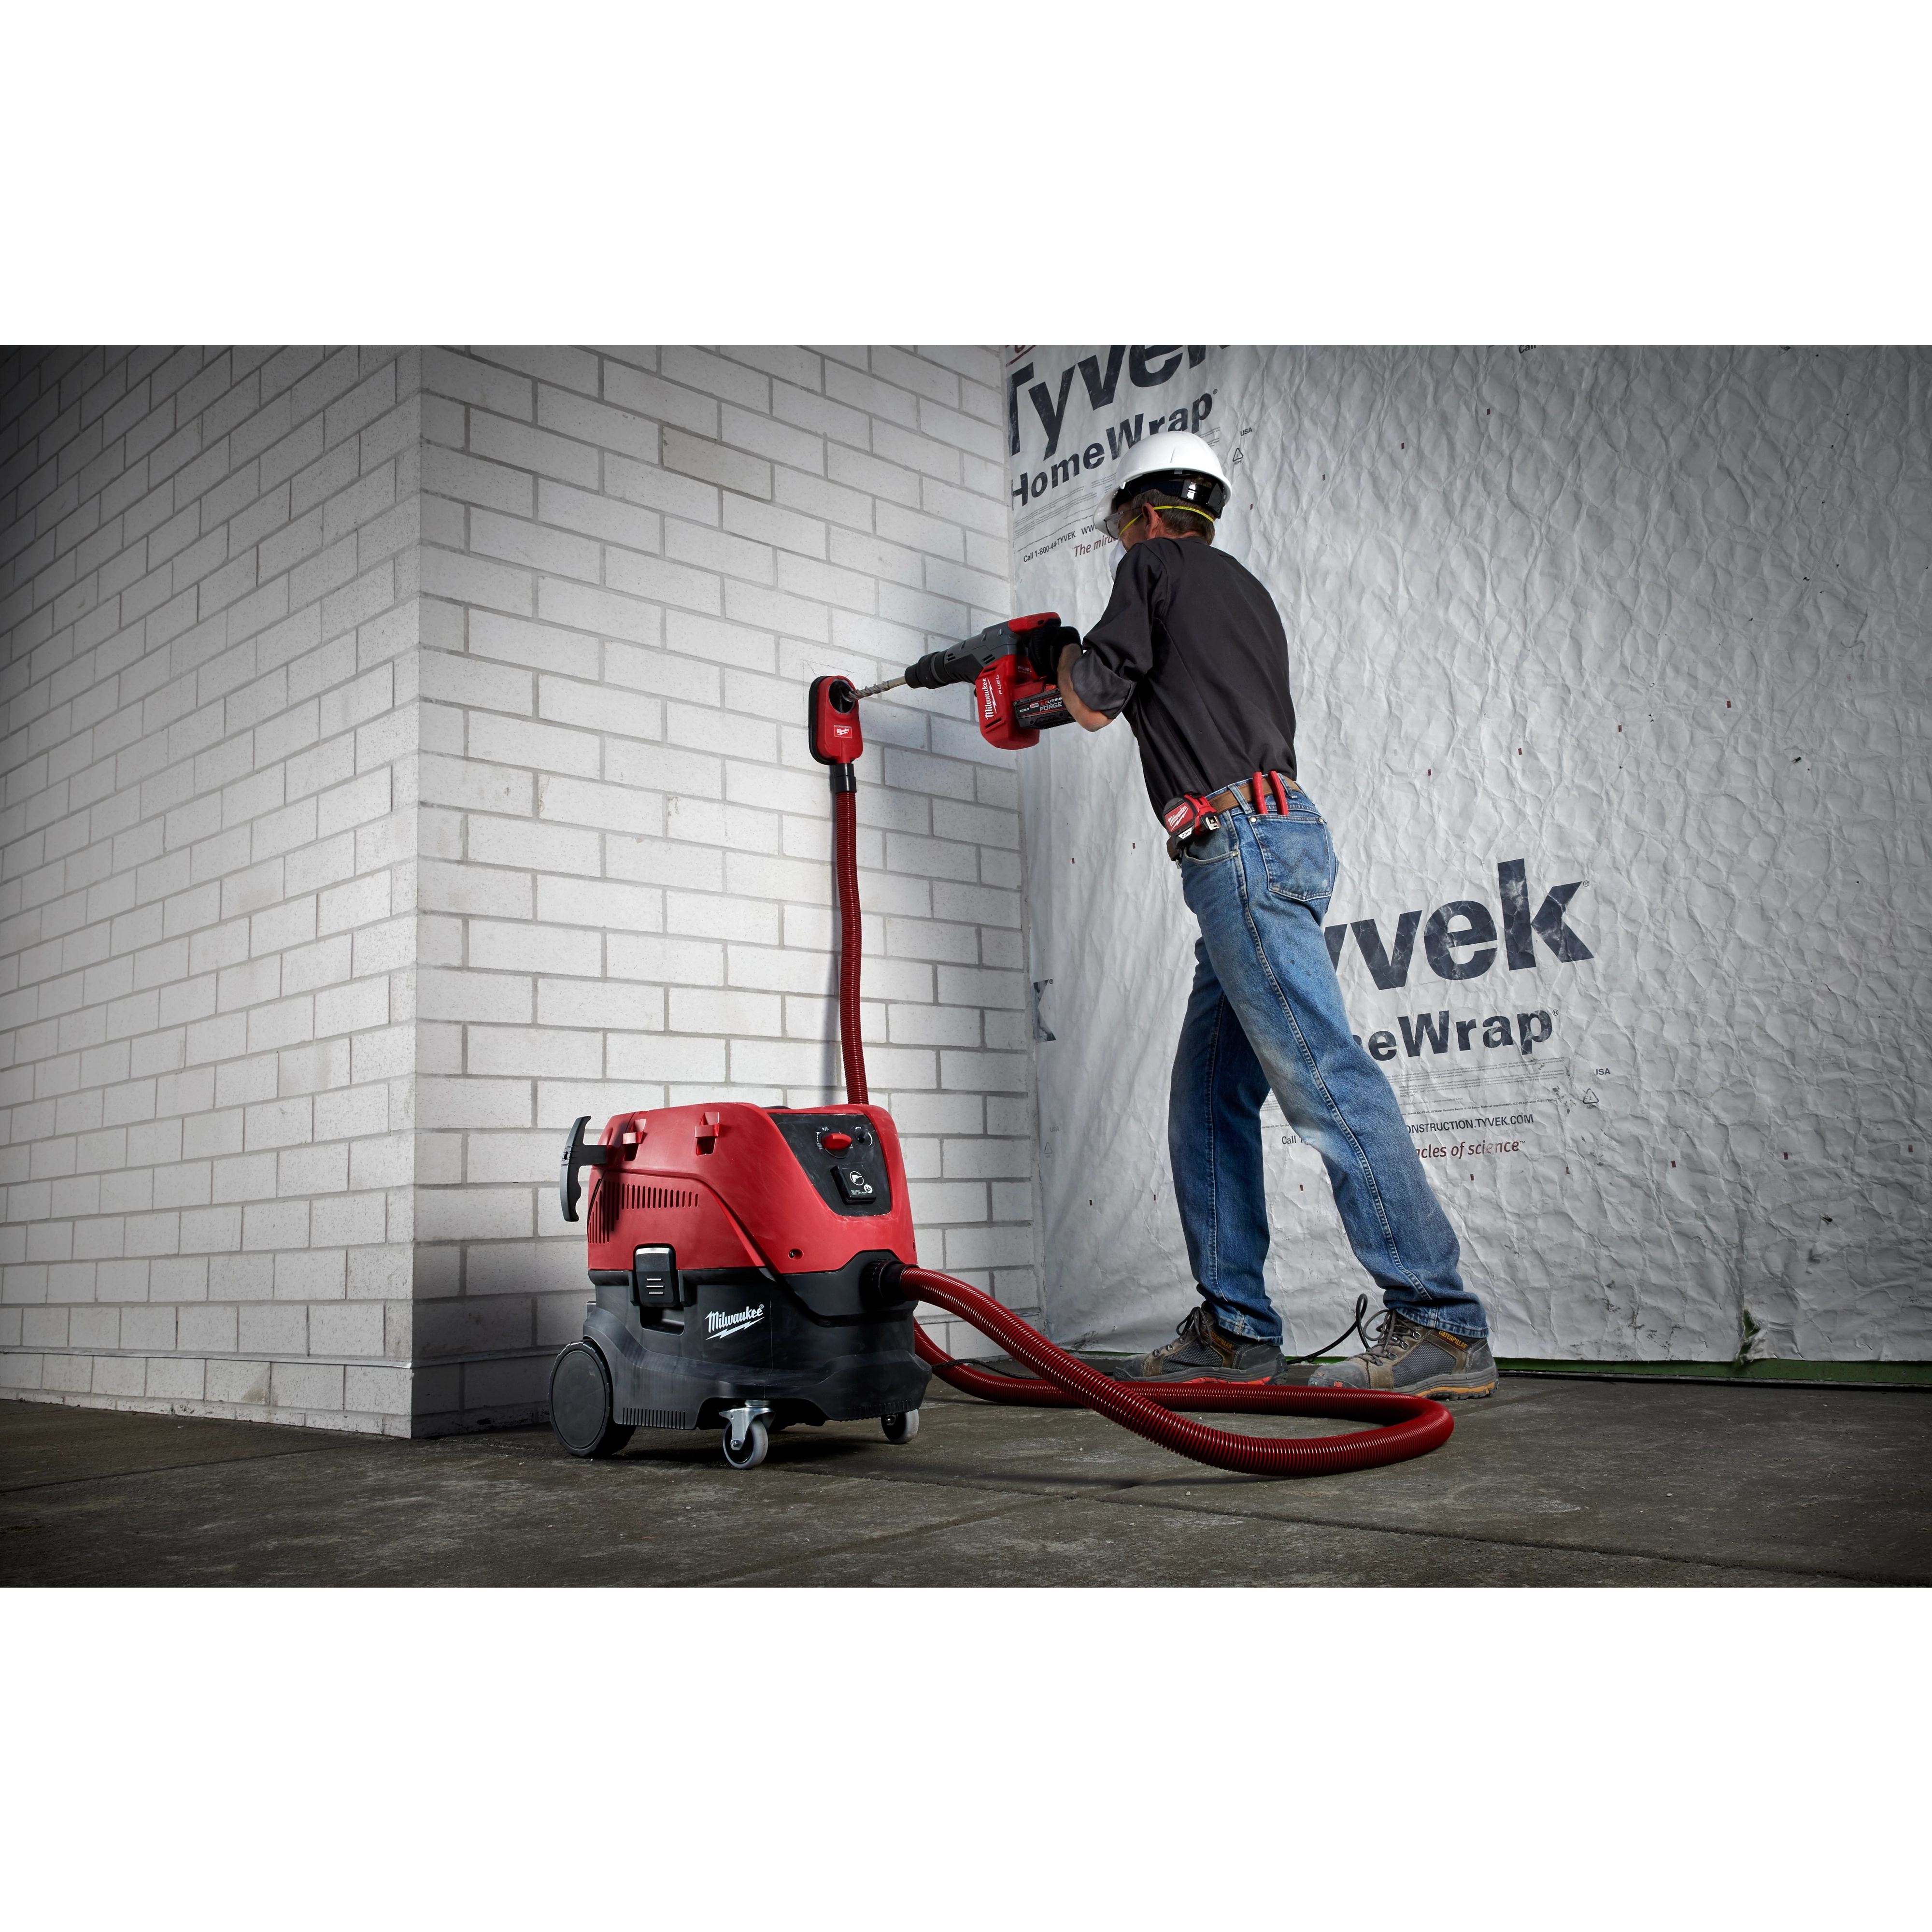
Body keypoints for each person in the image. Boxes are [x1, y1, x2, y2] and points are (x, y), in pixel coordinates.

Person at [1054, 431, 1496, 1398]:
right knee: (1206, 1100)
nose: (1124, 541)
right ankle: (1236, 1330)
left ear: (1145, 516)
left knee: (1323, 1077)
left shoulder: (1150, 566)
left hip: (1238, 846)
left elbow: (1088, 699)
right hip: (1267, 838)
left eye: (1122, 528)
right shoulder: (1243, 591)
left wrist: (1050, 653)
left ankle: (1442, 1320)